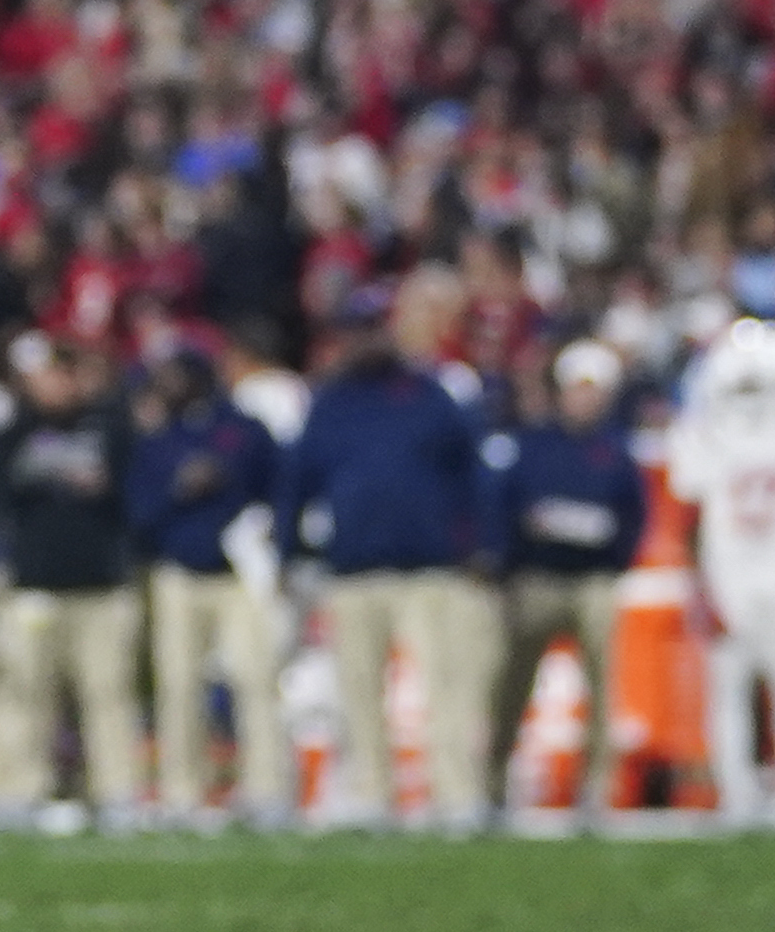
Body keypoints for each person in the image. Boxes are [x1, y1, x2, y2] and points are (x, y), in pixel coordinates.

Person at [277, 288, 492, 828]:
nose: (367, 338)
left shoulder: (428, 394)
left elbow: (474, 474)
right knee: (358, 692)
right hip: (353, 569)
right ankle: (373, 794)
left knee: (444, 688)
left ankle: (457, 796)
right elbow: (297, 481)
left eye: (374, 326)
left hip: (429, 568)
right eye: (357, 328)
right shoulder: (331, 402)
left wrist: (481, 544)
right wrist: (287, 549)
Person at [667, 321, 775, 823]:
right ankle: (739, 795)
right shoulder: (703, 436)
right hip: (730, 574)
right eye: (745, 386)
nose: (753, 397)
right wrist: (701, 589)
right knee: (731, 691)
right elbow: (688, 520)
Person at [481, 341, 648, 816]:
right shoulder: (533, 444)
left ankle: (596, 787)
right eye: (578, 389)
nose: (585, 399)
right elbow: (506, 505)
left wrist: (617, 558)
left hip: (594, 578)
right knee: (512, 681)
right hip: (537, 577)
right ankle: (493, 777)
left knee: (604, 682)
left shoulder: (614, 451)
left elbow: (635, 516)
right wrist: (509, 562)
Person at [0, 339, 141, 825]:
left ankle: (117, 791)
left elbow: (135, 494)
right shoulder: (13, 432)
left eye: (59, 373)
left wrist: (108, 488)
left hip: (101, 583)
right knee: (27, 693)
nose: (52, 385)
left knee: (108, 693)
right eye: (43, 376)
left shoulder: (111, 427)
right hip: (35, 585)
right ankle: (23, 788)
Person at [125, 348, 286, 824]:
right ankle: (182, 788)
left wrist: (265, 534)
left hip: (239, 573)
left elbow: (278, 487)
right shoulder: (157, 440)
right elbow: (138, 511)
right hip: (179, 573)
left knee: (255, 679)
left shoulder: (244, 430)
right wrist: (180, 489)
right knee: (179, 685)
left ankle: (268, 787)